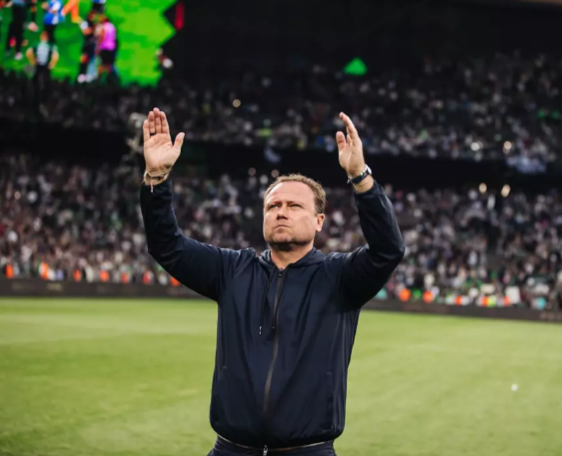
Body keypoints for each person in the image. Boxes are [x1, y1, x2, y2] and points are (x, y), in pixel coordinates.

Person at [140, 108, 405, 456]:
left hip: (309, 450)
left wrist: (361, 178)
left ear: (319, 221)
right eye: (273, 205)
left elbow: (388, 250)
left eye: (294, 206)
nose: (281, 211)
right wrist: (157, 178)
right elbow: (167, 245)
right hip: (231, 449)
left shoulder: (340, 277)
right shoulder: (232, 270)